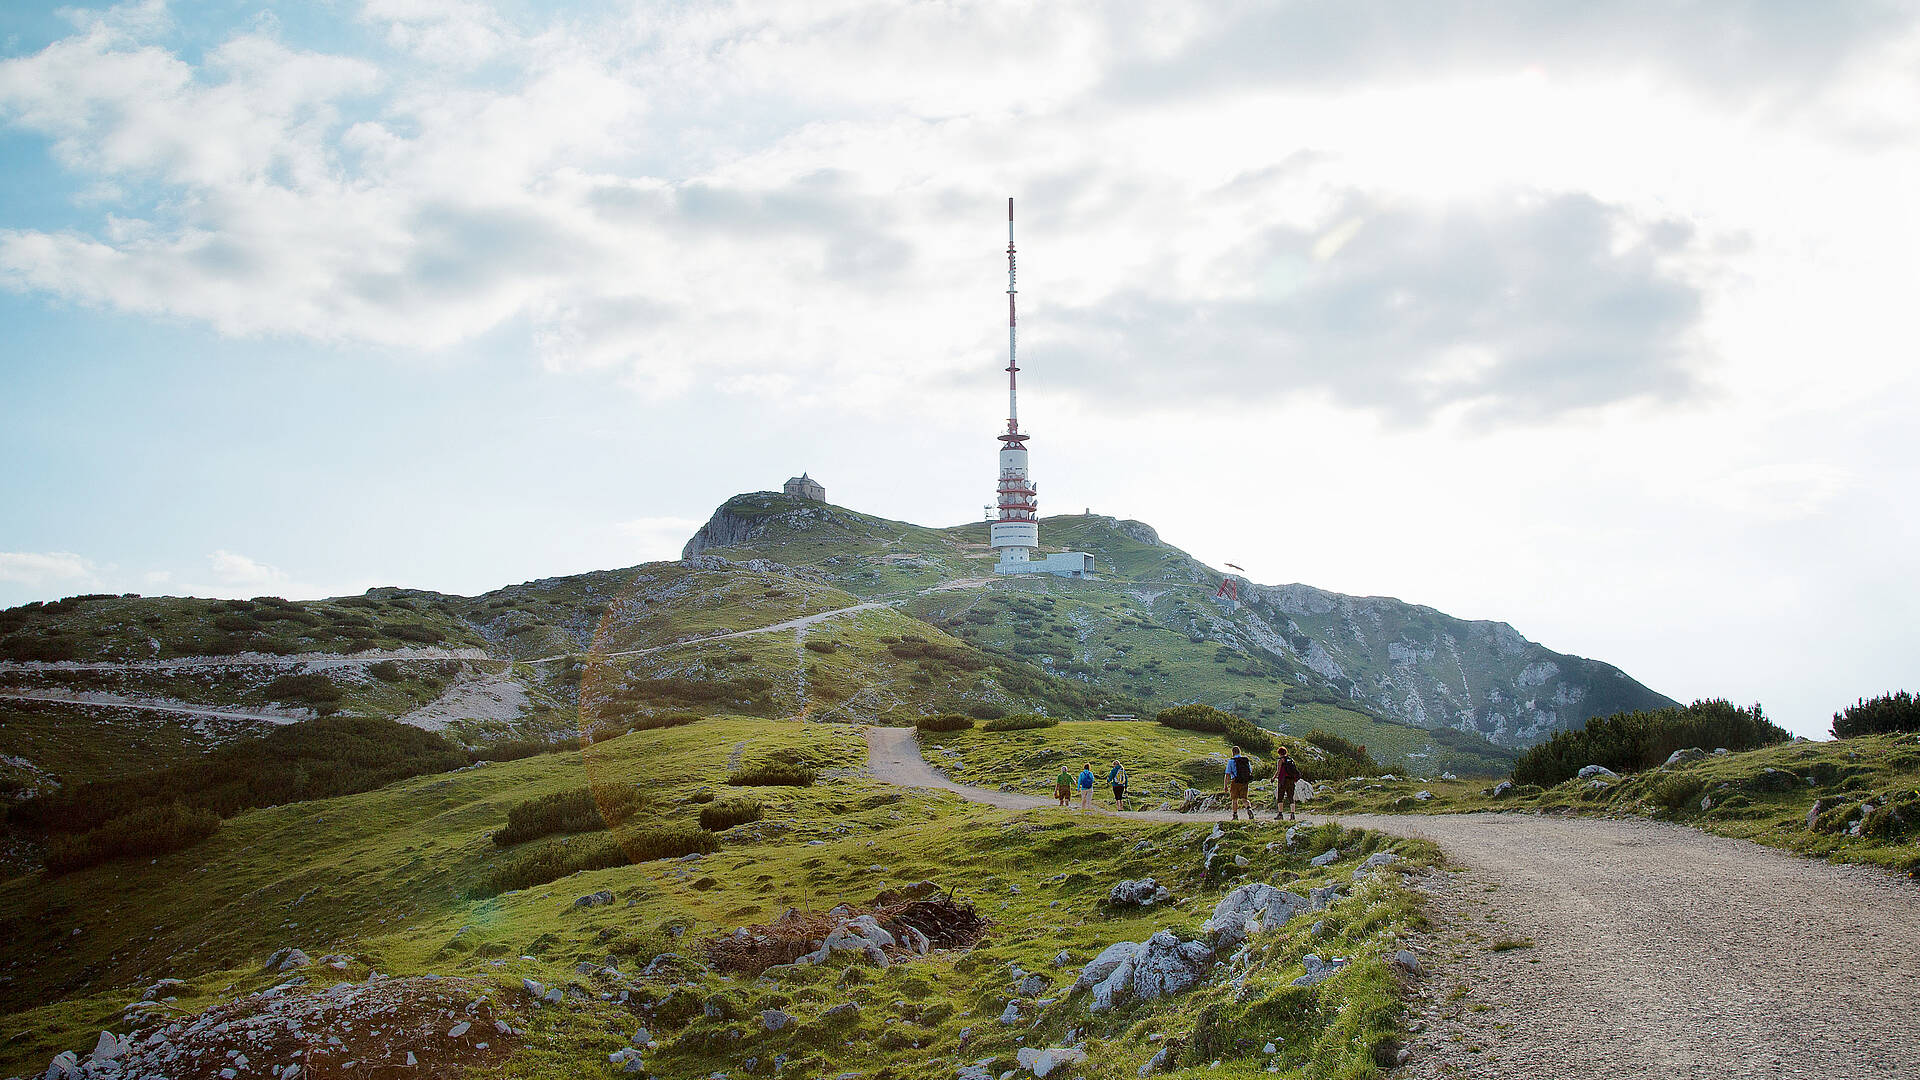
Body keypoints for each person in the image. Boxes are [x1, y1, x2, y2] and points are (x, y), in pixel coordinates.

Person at [1274, 745, 1306, 821]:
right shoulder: (1291, 760)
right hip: (1291, 780)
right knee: (1291, 797)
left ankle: (1280, 814)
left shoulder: (1280, 760)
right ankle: (1292, 814)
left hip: (1283, 781)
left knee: (1280, 798)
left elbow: (1278, 772)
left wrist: (1273, 778)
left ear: (1279, 753)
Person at [1224, 745, 1253, 820]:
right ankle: (1249, 809)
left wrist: (1226, 785)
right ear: (1239, 752)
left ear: (1233, 752)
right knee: (1244, 798)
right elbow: (1250, 770)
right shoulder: (1245, 760)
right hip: (1244, 781)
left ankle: (1235, 815)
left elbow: (1227, 774)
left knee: (1234, 799)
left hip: (1235, 781)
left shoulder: (1231, 761)